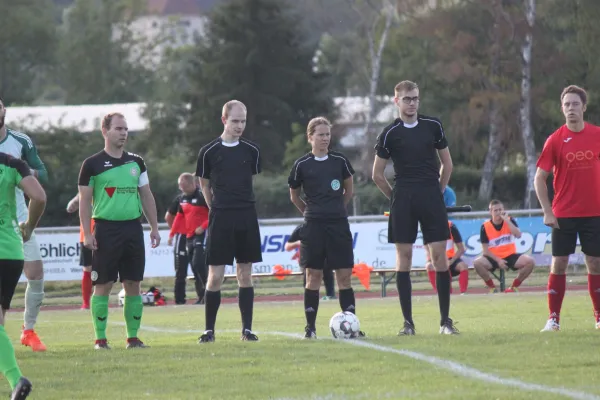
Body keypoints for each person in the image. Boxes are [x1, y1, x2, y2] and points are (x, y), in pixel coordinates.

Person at [371, 80, 458, 335]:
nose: (412, 103)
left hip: (431, 195)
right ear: (396, 101)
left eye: (415, 98)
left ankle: (445, 322)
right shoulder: (389, 133)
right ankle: (408, 324)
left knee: (440, 257)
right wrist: (395, 197)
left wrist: (438, 191)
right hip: (404, 198)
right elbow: (377, 174)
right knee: (404, 259)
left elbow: (448, 165)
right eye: (407, 99)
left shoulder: (433, 126)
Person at [78, 112, 161, 350]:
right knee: (103, 284)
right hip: (105, 229)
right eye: (118, 129)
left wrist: (154, 227)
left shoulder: (137, 162)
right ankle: (100, 340)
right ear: (105, 131)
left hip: (133, 228)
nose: (124, 133)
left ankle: (133, 338)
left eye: (126, 129)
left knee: (133, 283)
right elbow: (84, 201)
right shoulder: (91, 164)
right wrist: (88, 233)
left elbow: (146, 194)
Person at [288, 116, 365, 339]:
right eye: (320, 135)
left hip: (338, 225)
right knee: (313, 276)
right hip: (313, 226)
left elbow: (349, 191)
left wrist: (336, 210)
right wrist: (310, 213)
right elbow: (294, 196)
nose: (325, 139)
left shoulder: (339, 161)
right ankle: (310, 329)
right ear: (310, 137)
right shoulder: (302, 165)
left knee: (344, 277)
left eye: (328, 134)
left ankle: (351, 326)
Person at [535, 84, 600, 332]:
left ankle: (599, 317)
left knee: (595, 263)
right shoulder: (555, 140)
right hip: (563, 214)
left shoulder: (597, 135)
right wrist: (547, 211)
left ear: (584, 107)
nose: (570, 108)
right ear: (562, 109)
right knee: (558, 263)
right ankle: (553, 318)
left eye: (575, 104)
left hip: (594, 213)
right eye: (566, 105)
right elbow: (539, 178)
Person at [196, 100, 262, 343]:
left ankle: (247, 330)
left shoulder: (251, 151)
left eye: (243, 121)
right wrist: (214, 207)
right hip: (220, 217)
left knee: (245, 274)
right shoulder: (208, 151)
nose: (239, 126)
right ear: (224, 120)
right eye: (235, 121)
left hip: (246, 214)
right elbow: (204, 183)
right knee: (215, 276)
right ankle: (209, 330)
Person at [0, 97, 48, 352]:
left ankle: (28, 330)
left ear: (4, 110)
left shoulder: (20, 142)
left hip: (16, 220)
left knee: (36, 274)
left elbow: (43, 174)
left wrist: (23, 172)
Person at [0, 152, 47, 399]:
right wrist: (29, 226)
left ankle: (17, 380)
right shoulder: (11, 163)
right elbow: (39, 196)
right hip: (11, 250)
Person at [473, 200, 535, 293]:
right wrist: (498, 260)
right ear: (491, 212)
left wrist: (507, 220)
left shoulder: (509, 220)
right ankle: (492, 288)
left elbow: (518, 235)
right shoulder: (485, 226)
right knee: (477, 263)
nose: (498, 213)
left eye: (500, 210)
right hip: (494, 257)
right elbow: (485, 250)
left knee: (530, 261)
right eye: (495, 210)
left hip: (510, 255)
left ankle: (513, 287)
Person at [173, 173, 209, 304]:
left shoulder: (202, 196)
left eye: (184, 186)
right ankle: (201, 296)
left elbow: (213, 212)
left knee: (199, 263)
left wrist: (203, 226)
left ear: (191, 184)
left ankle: (209, 292)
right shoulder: (182, 198)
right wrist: (172, 233)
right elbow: (179, 217)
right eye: (180, 186)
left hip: (202, 235)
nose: (181, 189)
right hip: (189, 237)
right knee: (194, 267)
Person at [285, 223, 336, 300]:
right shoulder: (302, 227)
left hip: (325, 259)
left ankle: (330, 296)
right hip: (308, 260)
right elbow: (287, 247)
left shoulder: (327, 227)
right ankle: (311, 299)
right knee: (309, 282)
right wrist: (299, 243)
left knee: (327, 272)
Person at [66, 193, 95, 309]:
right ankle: (86, 303)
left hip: (104, 233)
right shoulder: (85, 190)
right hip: (87, 235)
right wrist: (76, 199)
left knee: (104, 267)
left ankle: (100, 299)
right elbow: (70, 208)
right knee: (87, 267)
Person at [424, 220, 469, 295]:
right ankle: (439, 293)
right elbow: (427, 248)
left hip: (451, 259)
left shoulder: (451, 226)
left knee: (463, 266)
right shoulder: (428, 227)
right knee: (429, 266)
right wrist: (437, 261)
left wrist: (452, 261)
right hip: (436, 259)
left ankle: (463, 293)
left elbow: (461, 249)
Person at [165, 193, 191, 305]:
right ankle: (180, 299)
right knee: (181, 270)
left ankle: (202, 296)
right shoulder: (180, 198)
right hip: (184, 236)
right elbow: (168, 216)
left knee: (199, 267)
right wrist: (175, 231)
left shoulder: (203, 197)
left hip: (197, 235)